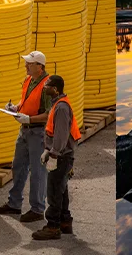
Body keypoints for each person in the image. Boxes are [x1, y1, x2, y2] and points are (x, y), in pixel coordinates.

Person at [0, 51, 52, 223]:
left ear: (39, 67)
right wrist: (15, 107)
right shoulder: (29, 80)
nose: (26, 65)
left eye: (30, 63)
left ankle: (37, 209)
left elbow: (49, 115)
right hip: (25, 131)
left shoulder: (47, 86)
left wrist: (30, 119)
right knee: (18, 167)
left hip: (38, 133)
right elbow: (25, 102)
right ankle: (14, 204)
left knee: (38, 172)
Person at [32, 75, 81, 240]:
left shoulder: (61, 108)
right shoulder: (58, 105)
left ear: (55, 89)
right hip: (64, 155)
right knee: (62, 189)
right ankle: (65, 222)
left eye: (47, 85)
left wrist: (52, 154)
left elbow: (60, 136)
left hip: (61, 156)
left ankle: (52, 226)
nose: (44, 87)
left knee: (53, 191)